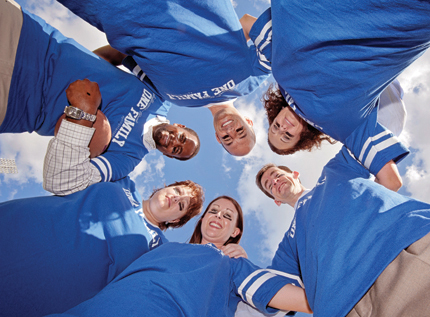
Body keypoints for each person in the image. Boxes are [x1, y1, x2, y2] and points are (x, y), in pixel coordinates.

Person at [0, 1, 199, 195]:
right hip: (32, 38)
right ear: (180, 126)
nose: (173, 142)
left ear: (167, 155)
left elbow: (61, 181)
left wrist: (82, 115)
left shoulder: (127, 159)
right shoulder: (160, 94)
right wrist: (86, 64)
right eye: (181, 138)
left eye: (175, 150)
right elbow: (125, 54)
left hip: (16, 103)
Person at [53, 0, 273, 156]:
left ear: (217, 137)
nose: (229, 130)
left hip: (105, 8)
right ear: (249, 122)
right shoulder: (251, 79)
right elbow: (246, 23)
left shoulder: (173, 98)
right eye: (240, 132)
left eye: (227, 138)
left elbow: (121, 54)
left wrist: (79, 66)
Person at [241, 1, 430, 174]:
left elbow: (247, 23)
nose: (282, 127)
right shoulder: (338, 125)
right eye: (287, 136)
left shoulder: (282, 70)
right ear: (303, 136)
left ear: (277, 113)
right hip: (405, 17)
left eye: (275, 127)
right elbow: (390, 178)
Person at [51, 196, 312, 316]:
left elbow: (278, 295)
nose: (218, 216)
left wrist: (337, 302)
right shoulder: (160, 247)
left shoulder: (230, 265)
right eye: (213, 210)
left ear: (236, 232)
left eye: (227, 216)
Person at [255, 150, 430, 316]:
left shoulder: (334, 172)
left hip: (405, 249)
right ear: (277, 201)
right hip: (352, 307)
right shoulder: (289, 244)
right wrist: (234, 259)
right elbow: (267, 290)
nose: (275, 181)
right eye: (270, 185)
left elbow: (362, 127)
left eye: (277, 175)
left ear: (295, 174)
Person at [0, 176, 204, 316]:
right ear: (165, 187)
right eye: (178, 190)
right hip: (16, 227)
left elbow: (192, 276)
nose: (176, 197)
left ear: (177, 220)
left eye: (181, 205)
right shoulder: (123, 181)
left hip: (33, 293)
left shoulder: (159, 250)